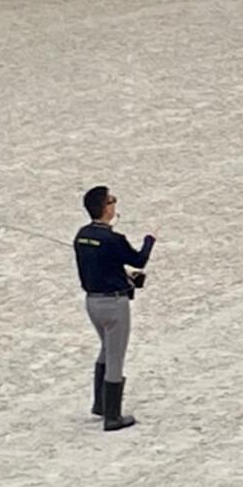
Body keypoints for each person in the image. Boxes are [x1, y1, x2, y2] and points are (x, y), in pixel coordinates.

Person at [74, 185, 156, 432]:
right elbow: (139, 259)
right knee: (115, 357)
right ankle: (112, 416)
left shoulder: (81, 235)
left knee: (106, 349)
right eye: (111, 201)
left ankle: (100, 404)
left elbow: (101, 265)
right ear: (105, 208)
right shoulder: (113, 239)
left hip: (92, 302)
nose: (114, 204)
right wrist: (149, 241)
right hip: (114, 304)